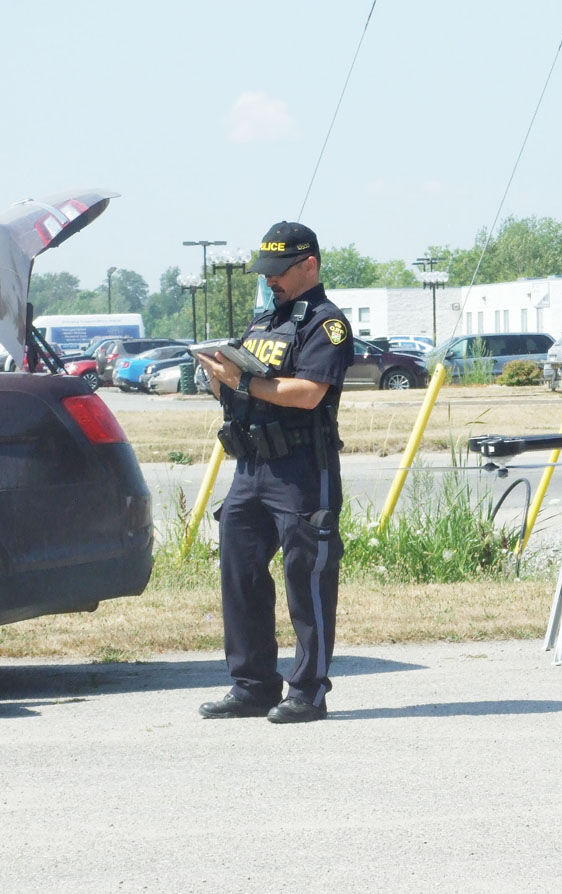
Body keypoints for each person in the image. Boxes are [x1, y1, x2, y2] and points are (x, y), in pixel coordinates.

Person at [195, 221, 354, 724]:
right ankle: (253, 685)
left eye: (279, 272)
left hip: (301, 468)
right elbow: (239, 392)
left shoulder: (326, 324)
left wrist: (242, 380)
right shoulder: (264, 322)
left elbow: (308, 393)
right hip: (252, 467)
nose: (270, 282)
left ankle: (307, 691)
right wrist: (216, 377)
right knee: (239, 572)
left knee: (306, 577)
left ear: (309, 265)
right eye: (265, 273)